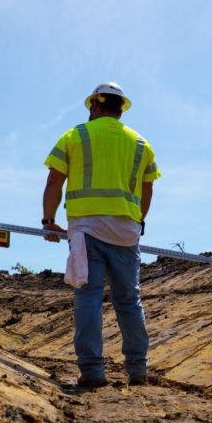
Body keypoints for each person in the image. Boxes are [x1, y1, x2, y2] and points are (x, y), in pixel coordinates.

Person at [42, 82, 161, 388]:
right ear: (121, 109)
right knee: (129, 301)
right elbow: (148, 189)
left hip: (85, 229)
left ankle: (93, 372)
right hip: (125, 232)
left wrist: (48, 220)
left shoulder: (75, 135)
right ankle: (138, 369)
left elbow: (55, 181)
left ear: (94, 105)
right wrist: (138, 221)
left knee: (88, 298)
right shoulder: (141, 144)